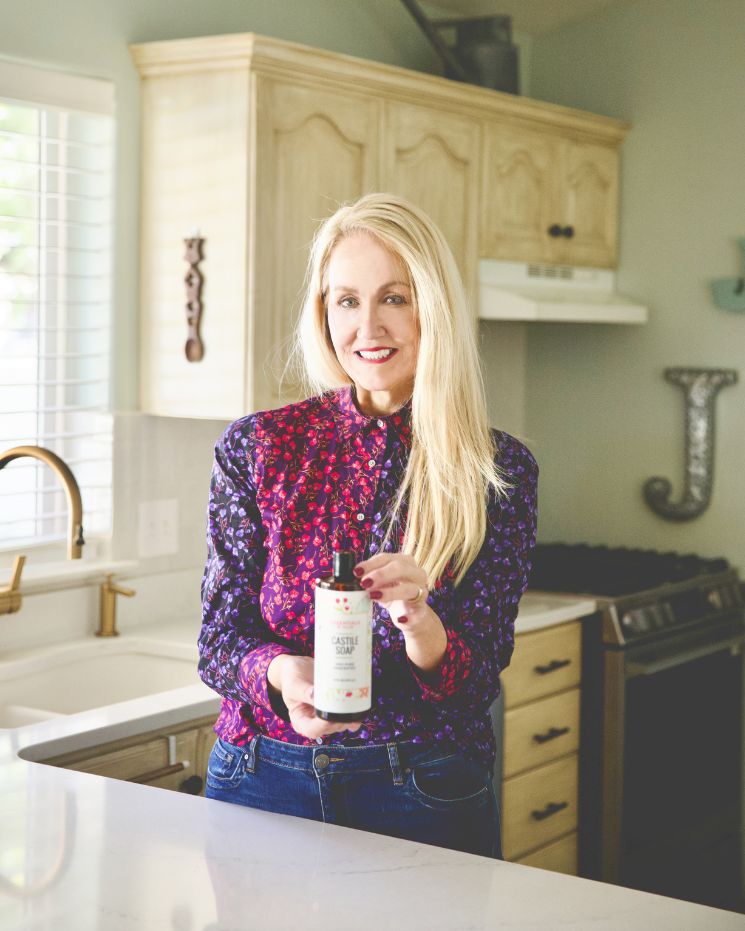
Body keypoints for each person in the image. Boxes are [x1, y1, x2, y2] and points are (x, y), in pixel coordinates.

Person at [198, 192, 538, 859]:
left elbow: (475, 686)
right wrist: (282, 673)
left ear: (432, 309)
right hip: (260, 778)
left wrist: (419, 617)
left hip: (421, 788)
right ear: (323, 312)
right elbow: (217, 640)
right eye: (346, 300)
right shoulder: (259, 446)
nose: (367, 326)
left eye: (395, 297)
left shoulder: (495, 469)